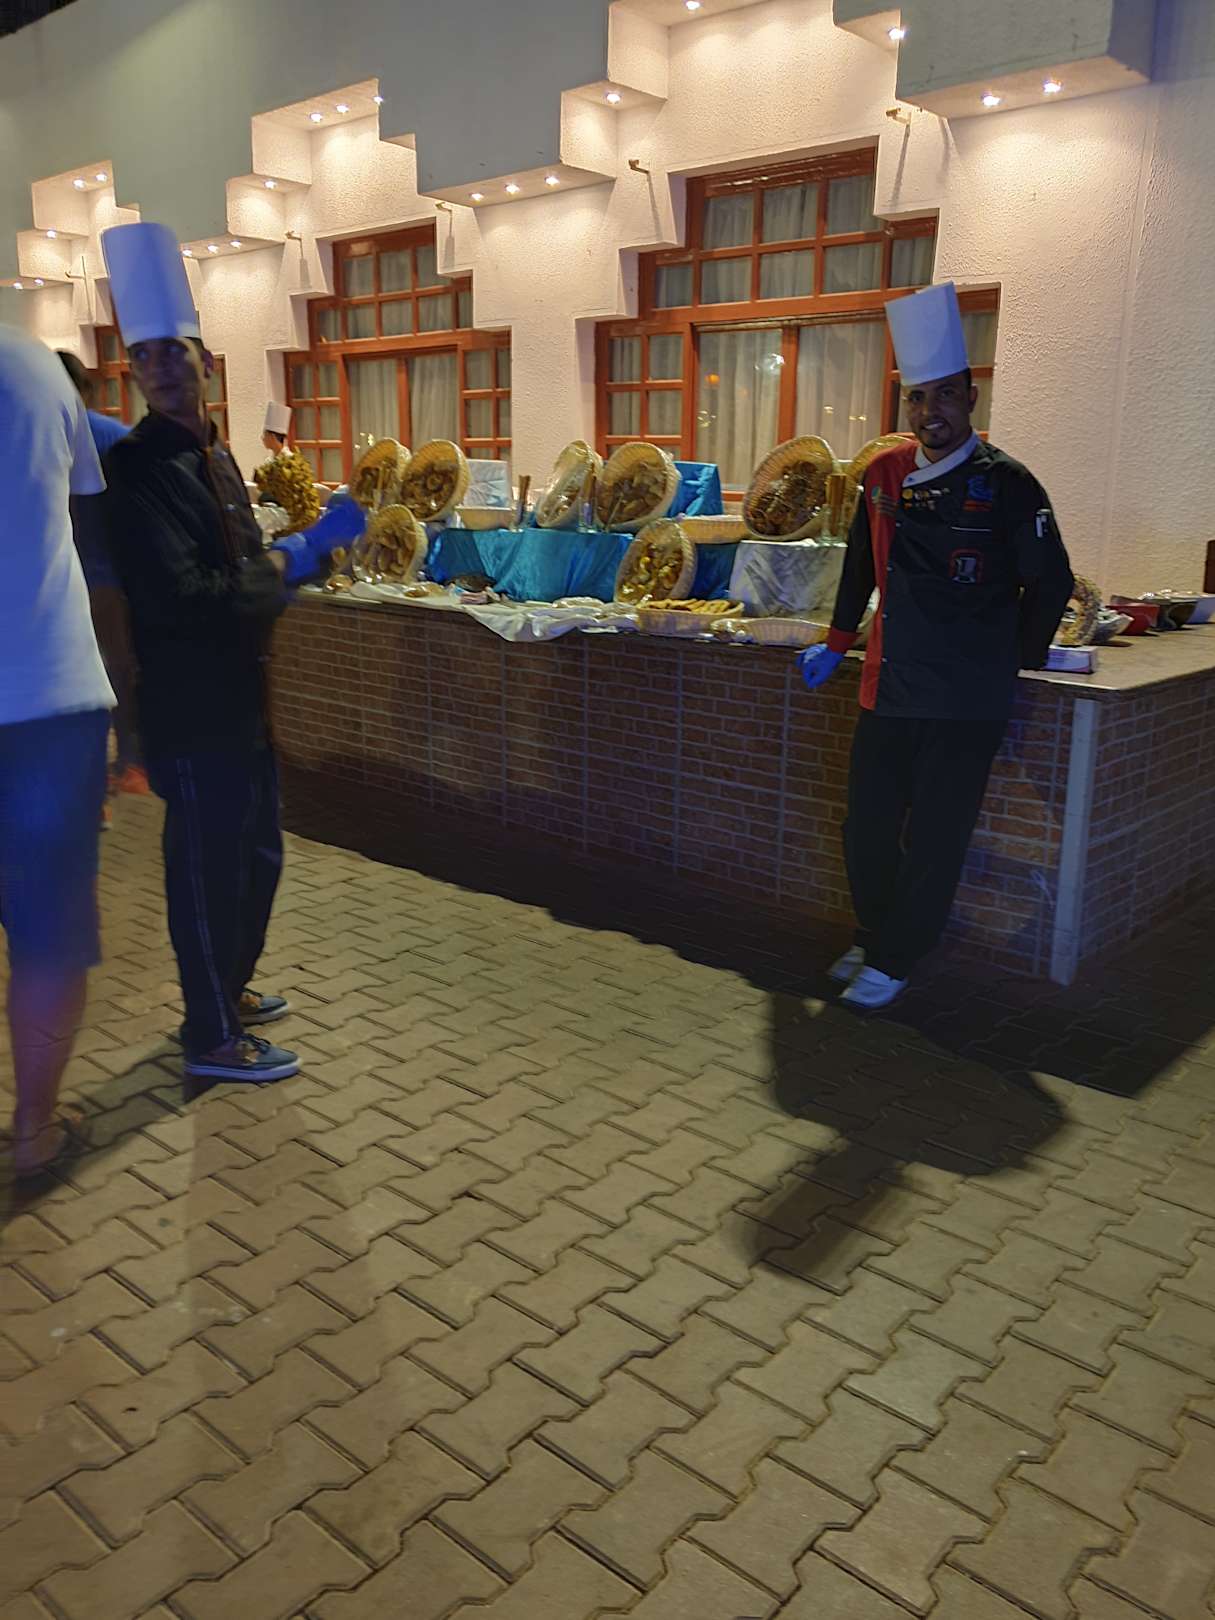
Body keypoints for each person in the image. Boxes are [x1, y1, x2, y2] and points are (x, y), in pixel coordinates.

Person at [96, 221, 360, 1085]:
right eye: (144, 359)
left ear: (205, 361)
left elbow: (244, 571)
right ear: (135, 374)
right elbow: (193, 598)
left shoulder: (215, 453)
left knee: (256, 860)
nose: (161, 369)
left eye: (173, 353)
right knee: (206, 875)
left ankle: (230, 989)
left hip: (247, 700)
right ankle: (210, 1035)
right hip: (190, 705)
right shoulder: (137, 470)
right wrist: (297, 555)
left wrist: (301, 561)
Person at [798, 282, 1073, 1010]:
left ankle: (896, 957)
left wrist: (1013, 658)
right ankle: (874, 934)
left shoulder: (1009, 484)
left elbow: (1051, 580)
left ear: (970, 398)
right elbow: (861, 565)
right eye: (918, 399)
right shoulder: (883, 474)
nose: (931, 413)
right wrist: (836, 643)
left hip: (965, 699)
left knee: (937, 837)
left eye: (945, 395)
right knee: (866, 825)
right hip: (887, 684)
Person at [0, 325, 114, 1178]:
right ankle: (35, 1129)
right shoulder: (35, 365)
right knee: (47, 935)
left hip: (51, 697)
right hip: (48, 692)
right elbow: (82, 492)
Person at [57, 350, 147, 805]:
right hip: (100, 576)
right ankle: (126, 761)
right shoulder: (113, 436)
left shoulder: (90, 438)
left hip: (88, 577)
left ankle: (122, 763)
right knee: (116, 672)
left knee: (102, 675)